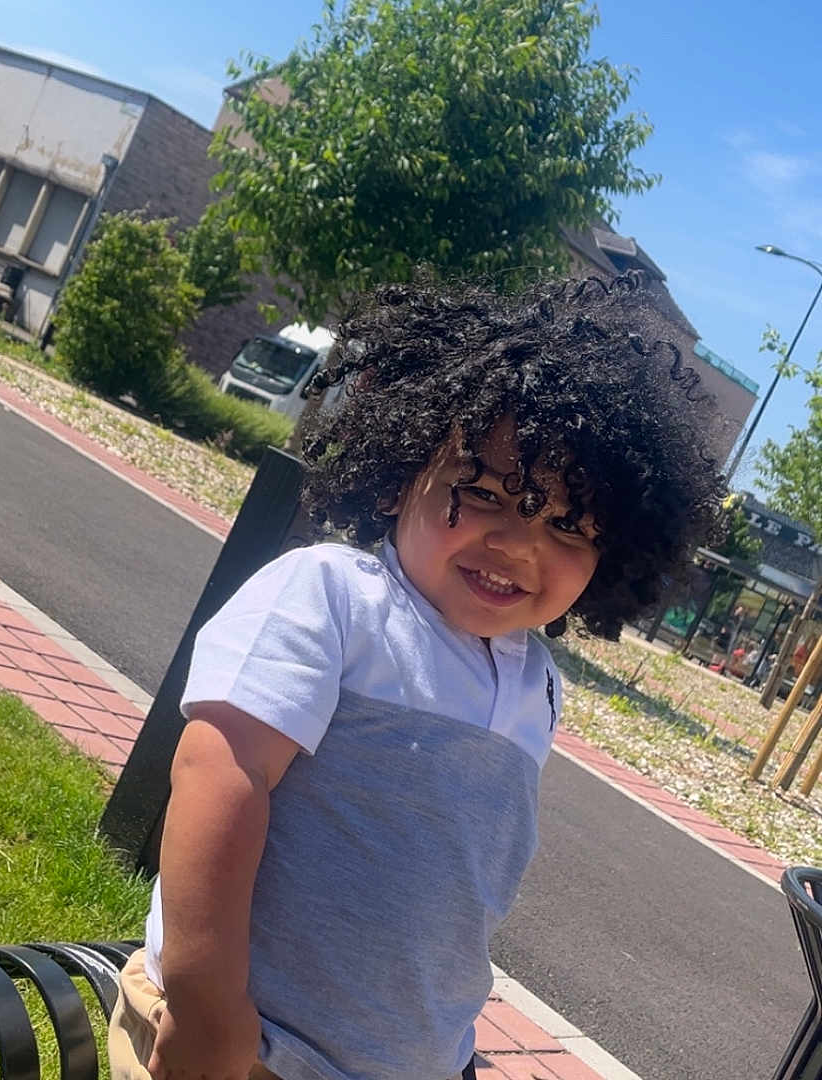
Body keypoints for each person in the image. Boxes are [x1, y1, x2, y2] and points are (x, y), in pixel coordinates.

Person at [107, 272, 726, 1080]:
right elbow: (219, 774)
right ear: (406, 471)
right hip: (243, 1045)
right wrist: (206, 1001)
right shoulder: (333, 596)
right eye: (487, 493)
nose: (519, 543)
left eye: (568, 525)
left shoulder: (536, 685)